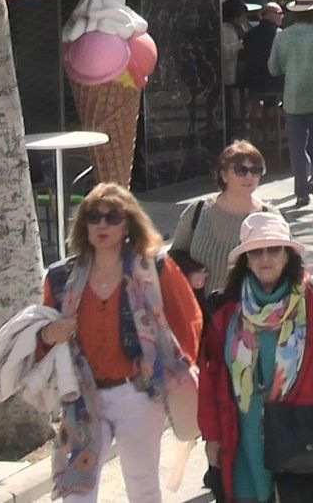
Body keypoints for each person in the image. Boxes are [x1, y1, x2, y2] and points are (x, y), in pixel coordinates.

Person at [40, 184, 201, 503]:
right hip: (81, 397)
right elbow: (40, 341)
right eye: (93, 217)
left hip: (137, 394)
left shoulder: (154, 267)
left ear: (127, 224)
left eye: (112, 217)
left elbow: (189, 320)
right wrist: (49, 334)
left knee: (142, 486)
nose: (102, 225)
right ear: (83, 224)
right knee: (76, 491)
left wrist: (173, 374)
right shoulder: (61, 278)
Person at [198, 213, 313, 503]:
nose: (265, 258)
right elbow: (210, 377)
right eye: (256, 251)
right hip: (242, 437)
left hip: (303, 441)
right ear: (246, 258)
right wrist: (212, 437)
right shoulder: (224, 308)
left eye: (274, 249)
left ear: (288, 254)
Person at [169, 140, 279, 302]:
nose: (249, 176)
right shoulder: (198, 210)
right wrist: (191, 272)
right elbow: (175, 255)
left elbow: (287, 263)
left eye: (255, 170)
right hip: (203, 313)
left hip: (253, 314)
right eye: (241, 170)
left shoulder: (270, 215)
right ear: (224, 174)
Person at [268, 0, 313, 209]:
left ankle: (301, 194)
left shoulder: (282, 35)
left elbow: (273, 68)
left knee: (297, 147)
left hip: (292, 99)